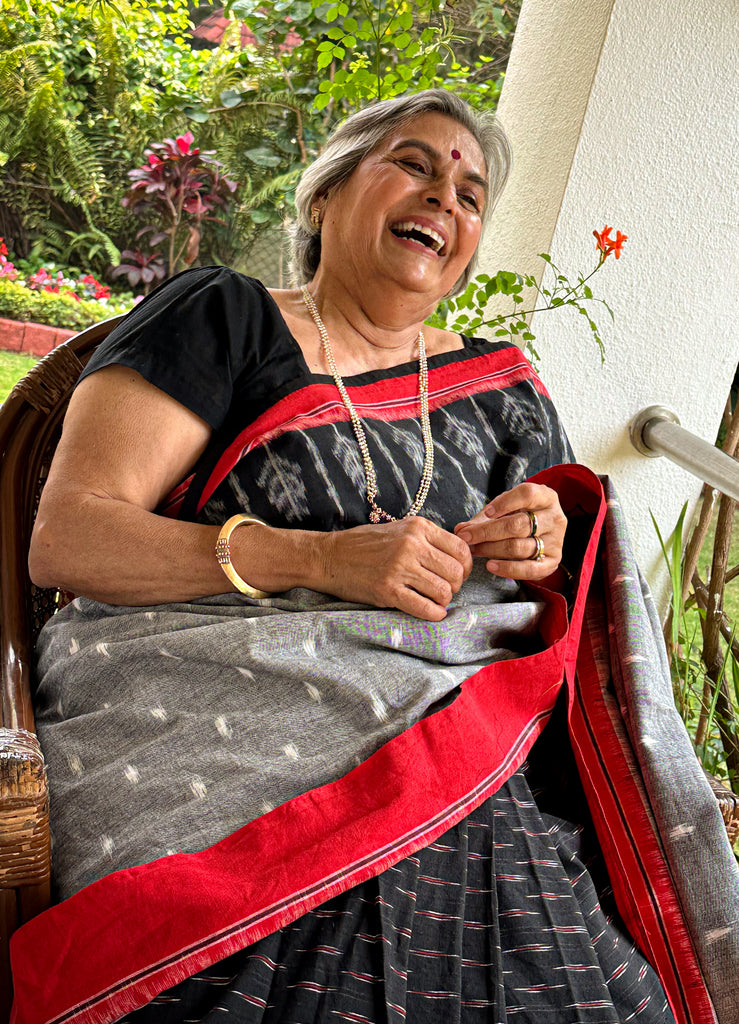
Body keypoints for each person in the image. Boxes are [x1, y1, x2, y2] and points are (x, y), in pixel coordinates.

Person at [11, 89, 714, 1024]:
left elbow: (553, 608)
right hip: (213, 750)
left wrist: (544, 544)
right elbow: (71, 538)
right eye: (414, 165)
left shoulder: (502, 391)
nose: (444, 200)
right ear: (325, 196)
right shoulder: (224, 317)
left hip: (461, 764)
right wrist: (324, 558)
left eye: (469, 196)